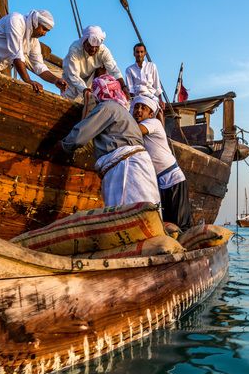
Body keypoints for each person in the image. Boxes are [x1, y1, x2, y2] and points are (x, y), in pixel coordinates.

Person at [61, 77, 159, 208]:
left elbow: (79, 137)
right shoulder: (124, 112)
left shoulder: (107, 107)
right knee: (148, 213)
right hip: (140, 165)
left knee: (125, 215)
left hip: (126, 167)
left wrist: (63, 145)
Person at [0, 10, 67, 94]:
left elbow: (39, 66)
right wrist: (28, 81)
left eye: (47, 31)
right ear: (36, 22)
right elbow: (16, 55)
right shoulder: (16, 20)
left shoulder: (34, 42)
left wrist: (55, 80)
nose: (44, 34)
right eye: (44, 29)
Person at [130, 94, 192, 230]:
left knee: (180, 223)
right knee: (167, 223)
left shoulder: (152, 123)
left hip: (173, 178)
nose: (138, 110)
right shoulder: (139, 125)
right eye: (136, 107)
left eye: (143, 108)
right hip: (160, 181)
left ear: (151, 114)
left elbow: (135, 131)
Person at [62, 25, 128, 105]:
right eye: (90, 46)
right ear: (84, 42)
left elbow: (114, 70)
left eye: (96, 47)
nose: (93, 49)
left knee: (89, 102)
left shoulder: (104, 51)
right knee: (66, 101)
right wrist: (85, 89)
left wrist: (124, 87)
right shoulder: (75, 49)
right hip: (71, 78)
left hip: (91, 77)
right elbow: (73, 75)